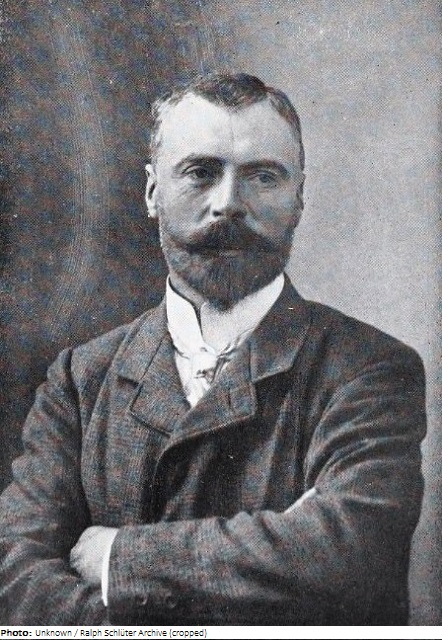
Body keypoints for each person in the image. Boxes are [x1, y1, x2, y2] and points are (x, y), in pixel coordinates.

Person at [0, 73, 426, 626]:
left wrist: (118, 558)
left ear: (299, 197)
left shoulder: (370, 370)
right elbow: (17, 582)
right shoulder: (81, 382)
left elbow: (348, 557)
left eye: (263, 177)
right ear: (152, 193)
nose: (228, 204)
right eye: (200, 172)